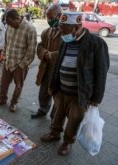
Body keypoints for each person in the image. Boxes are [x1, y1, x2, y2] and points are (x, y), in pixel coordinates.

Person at [40, 12, 109, 156]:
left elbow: (101, 72)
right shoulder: (66, 41)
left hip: (80, 94)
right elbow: (58, 64)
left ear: (77, 27)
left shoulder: (96, 44)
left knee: (74, 119)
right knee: (57, 115)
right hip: (61, 90)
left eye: (64, 30)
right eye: (60, 29)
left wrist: (97, 98)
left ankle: (67, 142)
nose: (61, 33)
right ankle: (54, 133)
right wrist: (52, 85)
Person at [0, 9, 37, 112]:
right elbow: (7, 42)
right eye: (8, 24)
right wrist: (4, 55)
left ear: (17, 19)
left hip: (20, 64)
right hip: (8, 61)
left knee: (18, 86)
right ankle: (2, 99)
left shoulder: (30, 29)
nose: (10, 26)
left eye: (11, 24)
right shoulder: (9, 26)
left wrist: (22, 65)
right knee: (3, 83)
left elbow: (31, 51)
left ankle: (13, 103)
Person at [31, 5, 63, 119]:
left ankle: (55, 120)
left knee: (58, 97)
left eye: (51, 17)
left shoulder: (66, 32)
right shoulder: (46, 32)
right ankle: (43, 109)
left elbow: (68, 52)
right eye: (47, 17)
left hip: (59, 71)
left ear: (59, 16)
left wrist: (52, 55)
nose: (49, 20)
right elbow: (39, 47)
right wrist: (45, 54)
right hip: (46, 68)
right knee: (43, 93)